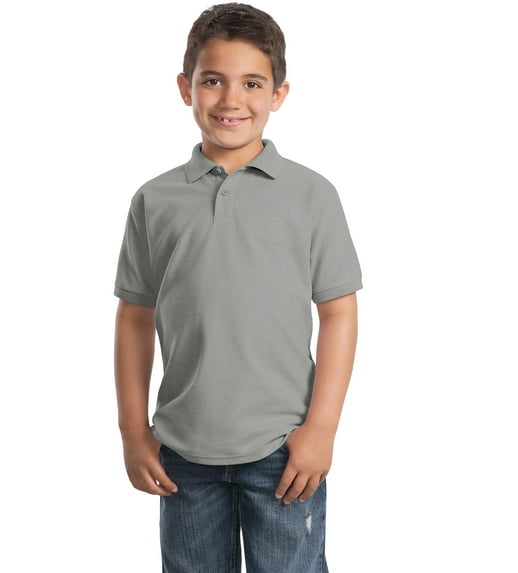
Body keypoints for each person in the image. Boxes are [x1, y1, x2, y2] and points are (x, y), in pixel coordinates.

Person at [113, 3, 362, 571]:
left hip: (283, 448)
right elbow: (134, 316)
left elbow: (339, 313)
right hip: (181, 450)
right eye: (212, 81)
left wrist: (321, 428)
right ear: (186, 88)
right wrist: (132, 430)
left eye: (252, 83)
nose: (231, 99)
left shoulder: (311, 195)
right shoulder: (154, 199)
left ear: (278, 94)